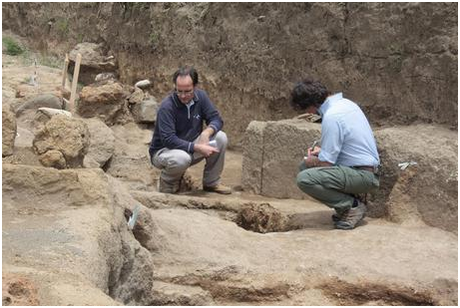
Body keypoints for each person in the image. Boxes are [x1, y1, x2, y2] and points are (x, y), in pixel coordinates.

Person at [290, 78, 380, 230]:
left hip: (362, 176)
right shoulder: (346, 104)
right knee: (305, 168)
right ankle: (347, 207)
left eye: (307, 110)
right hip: (364, 170)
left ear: (311, 105)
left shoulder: (332, 117)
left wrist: (311, 159)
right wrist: (322, 152)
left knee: (304, 177)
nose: (309, 113)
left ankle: (352, 206)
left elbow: (326, 163)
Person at [149, 66, 232, 195]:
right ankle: (167, 185)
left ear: (195, 86)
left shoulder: (201, 97)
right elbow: (168, 140)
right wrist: (196, 147)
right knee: (182, 158)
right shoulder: (167, 107)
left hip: (190, 147)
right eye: (179, 91)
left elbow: (216, 119)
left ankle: (211, 182)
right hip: (164, 151)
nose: (183, 96)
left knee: (220, 137)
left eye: (188, 91)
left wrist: (207, 132)